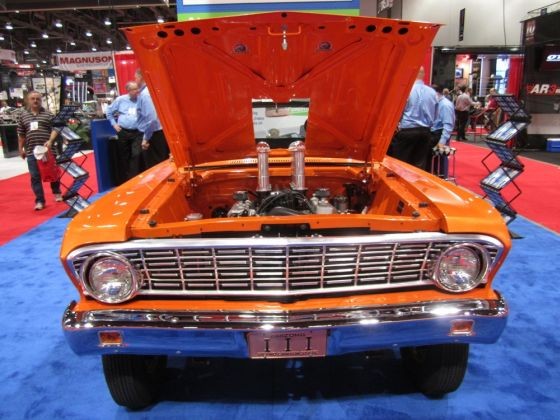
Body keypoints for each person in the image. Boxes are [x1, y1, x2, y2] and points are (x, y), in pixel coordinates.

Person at [17, 90, 62, 211]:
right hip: (31, 151)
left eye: (38, 99)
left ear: (41, 100)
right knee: (35, 177)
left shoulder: (48, 114)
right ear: (28, 100)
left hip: (48, 150)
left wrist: (51, 141)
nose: (35, 101)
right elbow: (21, 134)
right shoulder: (23, 115)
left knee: (53, 173)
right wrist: (20, 149)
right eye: (33, 99)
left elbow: (56, 128)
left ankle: (57, 192)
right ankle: (40, 201)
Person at [388, 66, 437, 170]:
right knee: (419, 166)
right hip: (425, 132)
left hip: (407, 131)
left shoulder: (406, 90)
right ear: (424, 75)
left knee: (400, 165)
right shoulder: (432, 92)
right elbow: (435, 113)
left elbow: (398, 110)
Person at [106, 81, 143, 183]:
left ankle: (134, 178)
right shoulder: (120, 100)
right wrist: (114, 124)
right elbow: (109, 112)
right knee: (124, 155)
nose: (137, 91)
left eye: (137, 89)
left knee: (136, 154)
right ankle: (127, 179)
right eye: (134, 89)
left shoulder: (141, 100)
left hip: (137, 132)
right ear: (128, 90)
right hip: (123, 131)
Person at [134, 68, 169, 169]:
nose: (135, 81)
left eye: (135, 78)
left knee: (155, 168)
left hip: (152, 135)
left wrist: (146, 138)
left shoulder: (145, 94)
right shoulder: (154, 90)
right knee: (161, 165)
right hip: (157, 133)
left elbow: (152, 119)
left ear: (140, 77)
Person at [429, 84, 456, 177]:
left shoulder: (445, 105)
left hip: (439, 134)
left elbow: (448, 125)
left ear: (436, 93)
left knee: (441, 160)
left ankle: (441, 177)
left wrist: (442, 141)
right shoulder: (436, 103)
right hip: (434, 132)